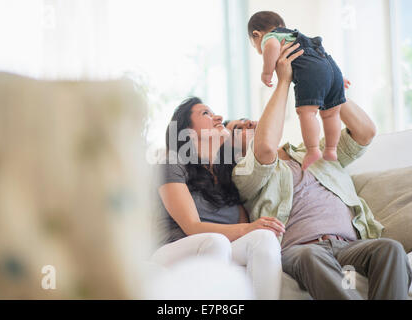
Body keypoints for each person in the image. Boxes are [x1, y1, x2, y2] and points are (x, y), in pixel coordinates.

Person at [225, 45, 412, 299]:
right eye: (238, 128)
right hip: (301, 249)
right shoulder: (244, 173)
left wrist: (329, 84)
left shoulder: (314, 151)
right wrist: (284, 81)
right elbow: (266, 147)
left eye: (248, 119)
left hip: (350, 245)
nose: (248, 122)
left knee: (390, 250)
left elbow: (365, 132)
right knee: (311, 255)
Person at [150, 42, 304, 300]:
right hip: (173, 250)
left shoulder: (228, 172)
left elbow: (244, 222)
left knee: (264, 240)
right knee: (217, 242)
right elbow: (192, 226)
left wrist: (256, 229)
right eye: (206, 113)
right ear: (187, 131)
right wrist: (249, 229)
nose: (219, 117)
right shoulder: (171, 163)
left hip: (220, 246)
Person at [248, 11, 351, 170]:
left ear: (256, 34)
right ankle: (331, 149)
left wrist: (267, 72)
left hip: (313, 72)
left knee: (307, 113)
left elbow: (272, 46)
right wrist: (335, 77)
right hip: (330, 67)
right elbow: (321, 58)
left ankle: (313, 150)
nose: (258, 48)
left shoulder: (271, 37)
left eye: (254, 44)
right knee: (332, 114)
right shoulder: (295, 36)